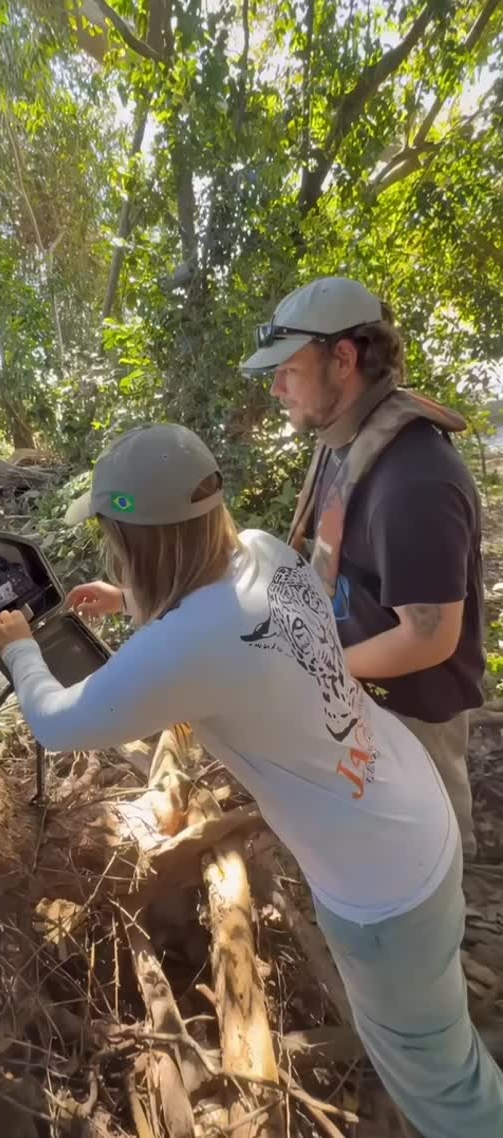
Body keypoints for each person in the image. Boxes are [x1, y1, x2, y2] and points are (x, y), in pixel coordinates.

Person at [0, 423, 502, 1138]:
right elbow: (212, 620)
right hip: (413, 812)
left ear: (131, 538)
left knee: (445, 1087)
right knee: (439, 1040)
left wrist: (18, 650)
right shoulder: (262, 550)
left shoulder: (186, 645)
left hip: (385, 891)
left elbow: (60, 722)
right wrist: (128, 597)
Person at [242, 277, 485, 858]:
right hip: (365, 701)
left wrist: (317, 674)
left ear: (343, 359)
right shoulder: (343, 440)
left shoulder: (414, 478)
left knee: (432, 867)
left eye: (289, 371)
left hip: (415, 721)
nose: (276, 387)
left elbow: (429, 637)